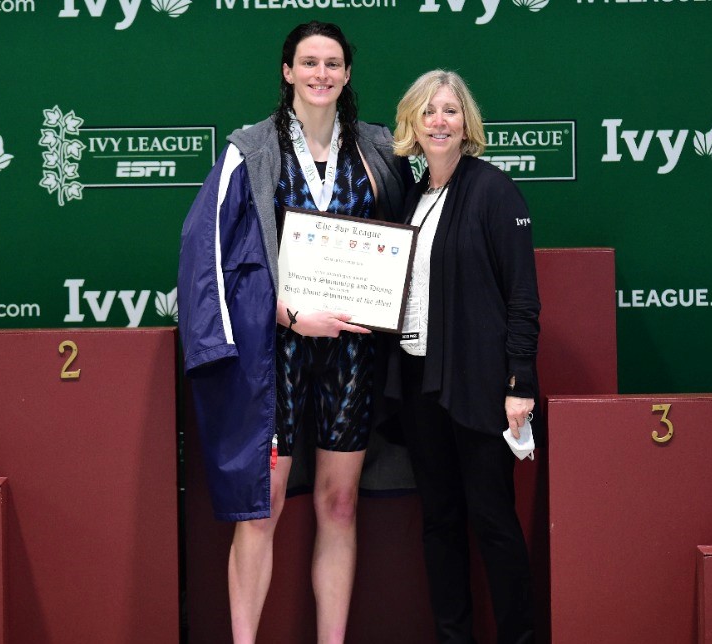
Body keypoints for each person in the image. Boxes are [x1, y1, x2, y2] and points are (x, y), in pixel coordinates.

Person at [177, 21, 411, 644]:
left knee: (339, 504)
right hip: (272, 349)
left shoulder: (379, 149)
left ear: (347, 74)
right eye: (308, 63)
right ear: (287, 72)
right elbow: (210, 254)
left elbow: (418, 229)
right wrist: (284, 313)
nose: (321, 74)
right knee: (265, 505)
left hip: (355, 350)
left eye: (333, 64)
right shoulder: (249, 149)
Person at [387, 70, 540, 644]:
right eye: (428, 112)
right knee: (440, 523)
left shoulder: (495, 191)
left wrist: (519, 381)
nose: (439, 121)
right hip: (419, 380)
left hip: (480, 386)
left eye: (449, 110)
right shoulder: (413, 196)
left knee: (494, 523)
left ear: (466, 121)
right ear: (412, 123)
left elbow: (523, 296)